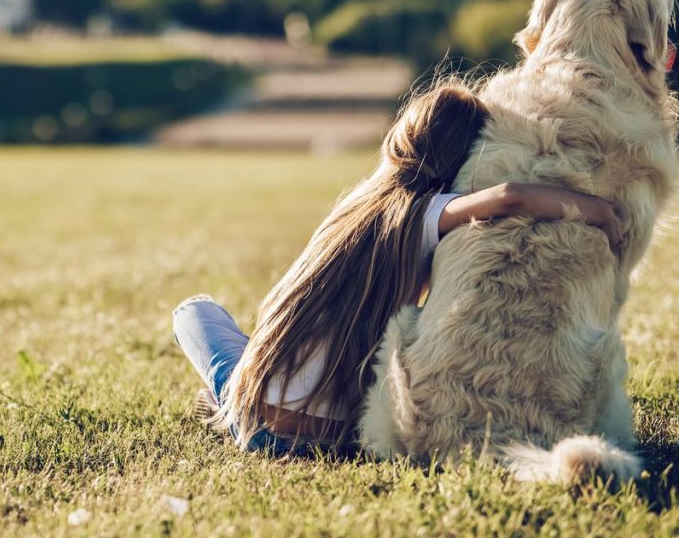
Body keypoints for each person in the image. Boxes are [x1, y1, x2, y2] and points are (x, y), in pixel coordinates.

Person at [172, 77, 622, 455]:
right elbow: (510, 196)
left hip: (259, 425)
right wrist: (600, 211)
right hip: (339, 437)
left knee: (194, 312)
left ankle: (226, 402)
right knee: (251, 355)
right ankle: (227, 400)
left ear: (404, 135)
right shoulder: (427, 215)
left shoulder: (358, 208)